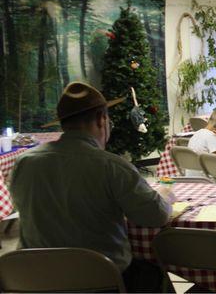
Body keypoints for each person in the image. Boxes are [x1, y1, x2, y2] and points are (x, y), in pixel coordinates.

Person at [10, 82, 175, 292]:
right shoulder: (111, 166)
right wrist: (164, 196)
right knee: (155, 274)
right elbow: (156, 216)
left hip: (37, 281)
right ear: (101, 119)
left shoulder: (23, 163)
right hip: (101, 282)